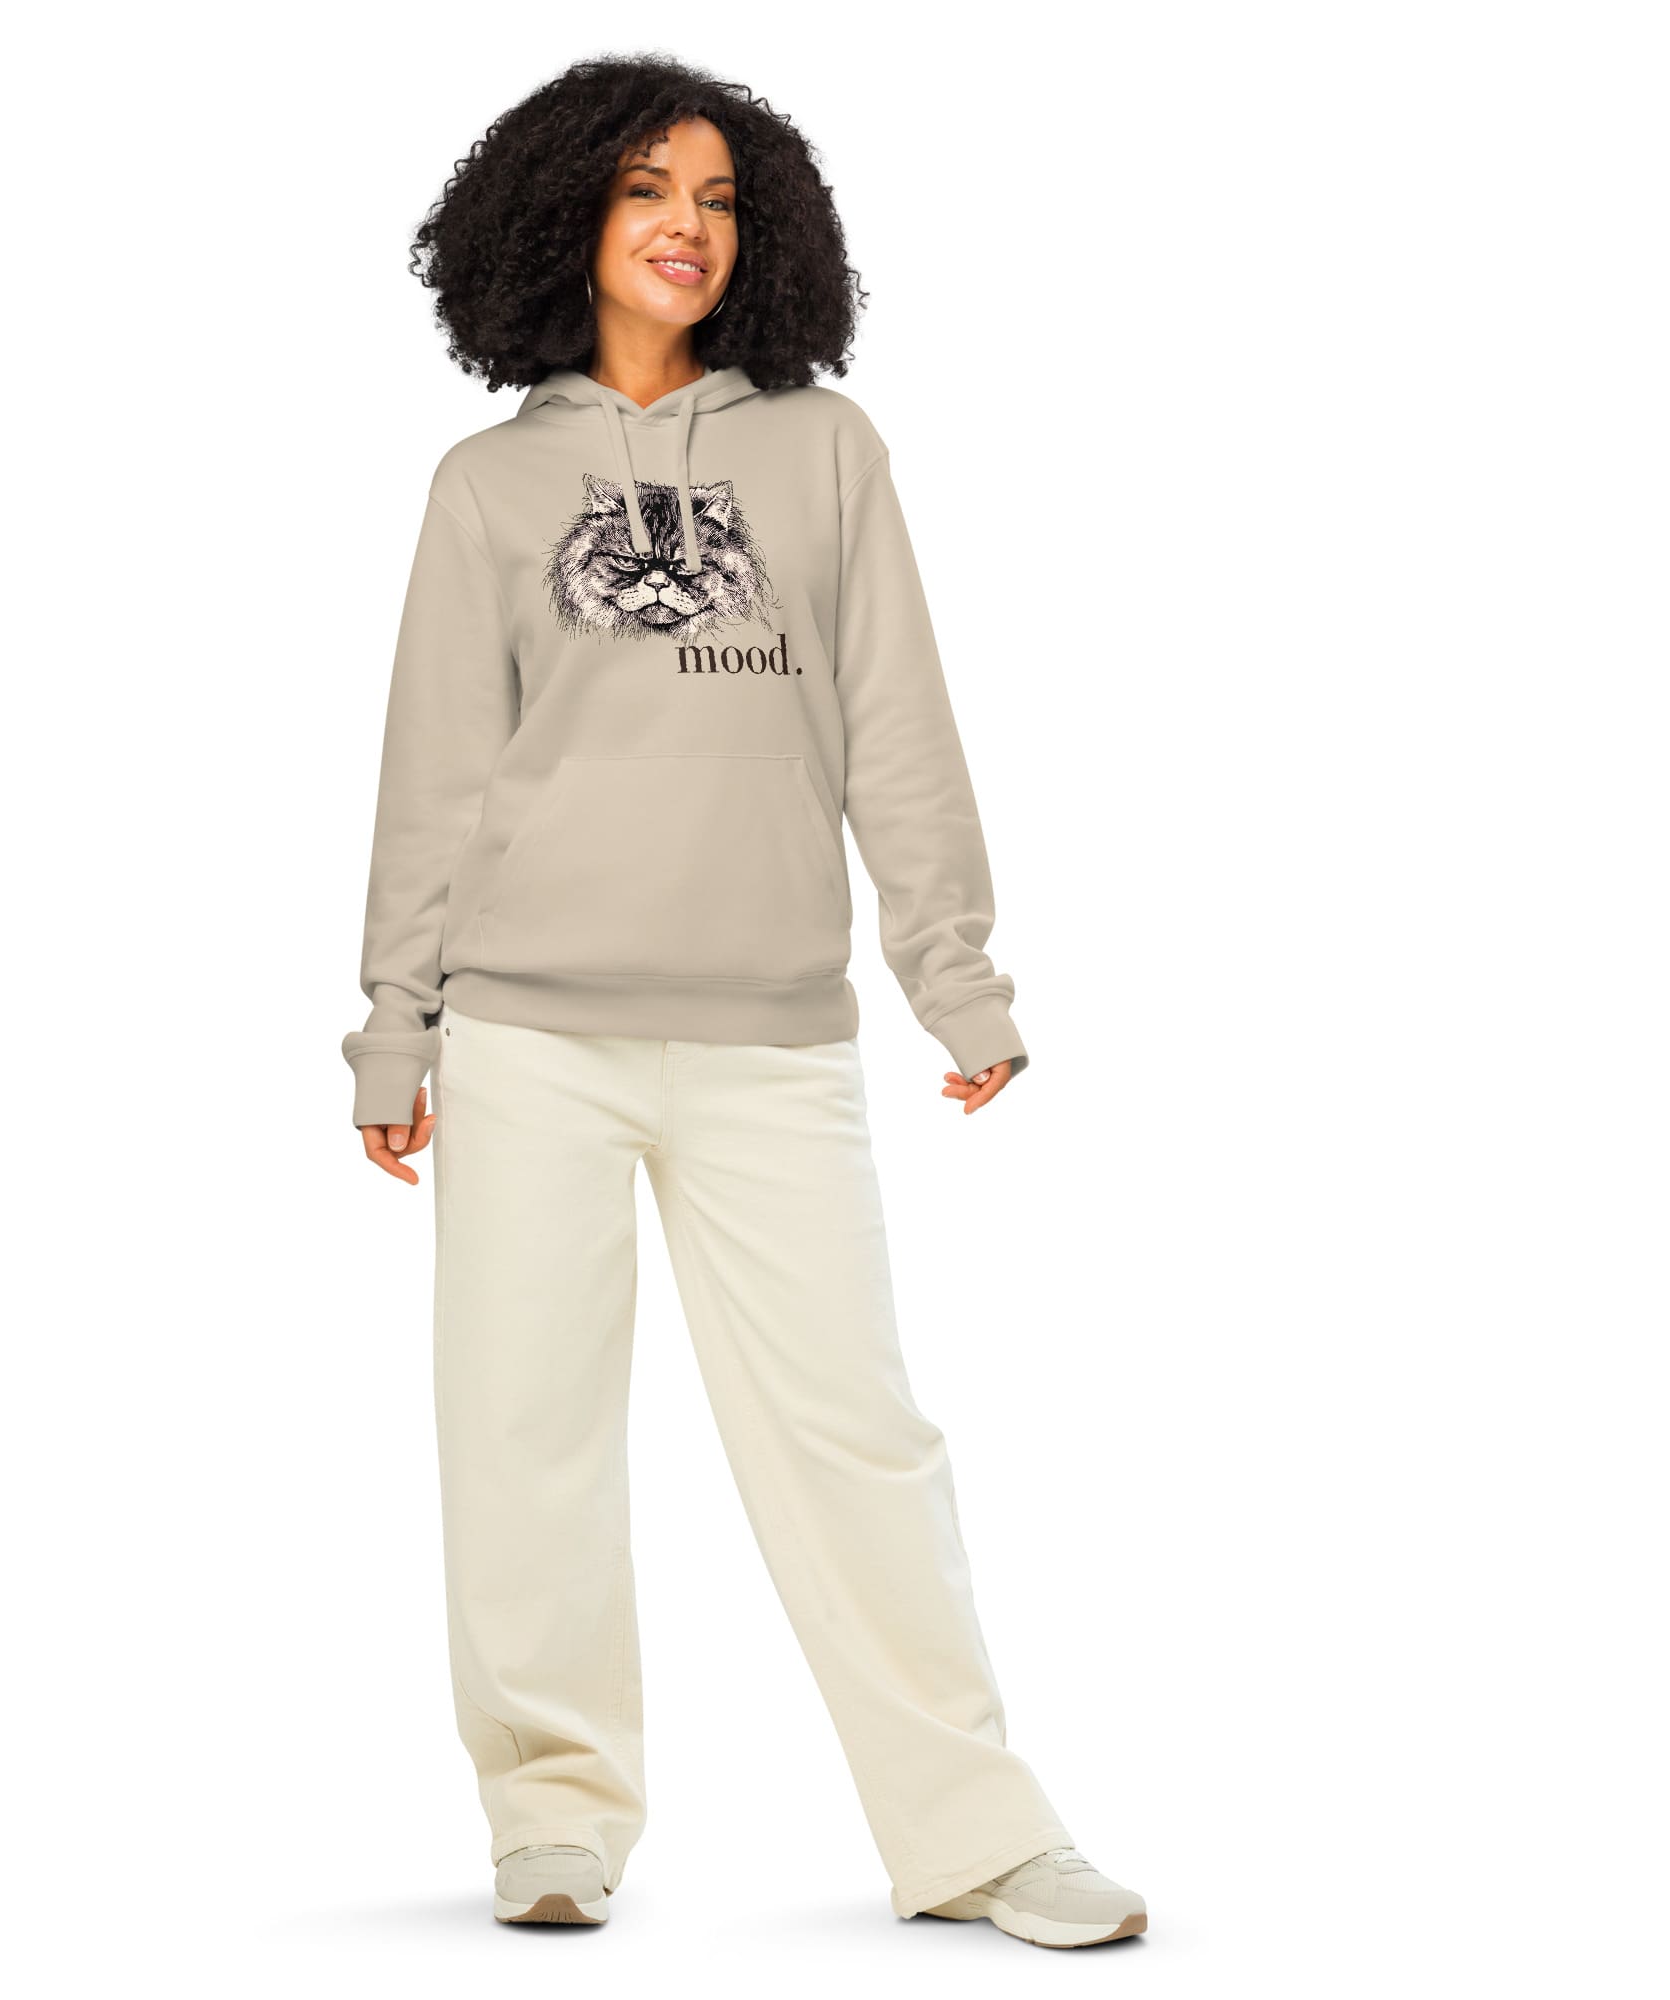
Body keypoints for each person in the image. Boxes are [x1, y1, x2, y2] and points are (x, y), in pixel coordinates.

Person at [341, 54, 1146, 1949]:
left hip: (772, 1032)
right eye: (646, 190)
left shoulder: (823, 451)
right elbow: (436, 775)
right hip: (530, 1034)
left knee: (858, 1437)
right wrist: (397, 1026)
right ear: (567, 219)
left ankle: (974, 1833)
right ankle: (552, 1816)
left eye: (716, 196)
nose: (686, 226)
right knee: (523, 1433)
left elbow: (898, 727)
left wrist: (956, 978)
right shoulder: (488, 485)